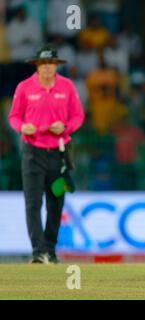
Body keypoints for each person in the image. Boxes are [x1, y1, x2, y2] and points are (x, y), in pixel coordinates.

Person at [8, 44, 85, 264]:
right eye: (43, 64)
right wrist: (22, 127)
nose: (47, 68)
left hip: (58, 153)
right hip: (32, 152)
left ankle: (49, 249)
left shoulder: (67, 87)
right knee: (33, 202)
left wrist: (66, 127)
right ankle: (38, 251)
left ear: (56, 66)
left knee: (56, 202)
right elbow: (14, 117)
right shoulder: (24, 87)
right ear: (37, 66)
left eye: (51, 64)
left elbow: (78, 116)